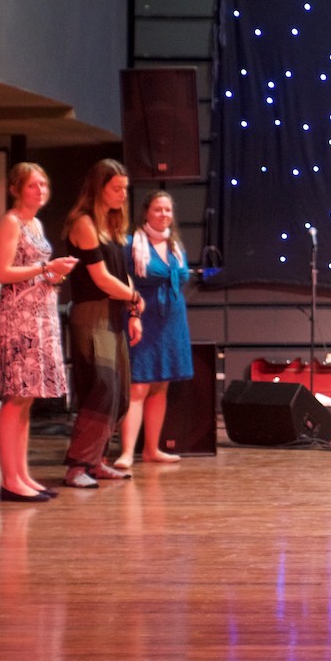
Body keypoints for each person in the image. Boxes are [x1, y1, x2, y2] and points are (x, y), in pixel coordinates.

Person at [0, 164, 78, 502]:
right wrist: (45, 267)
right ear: (16, 189)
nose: (40, 190)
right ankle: (10, 480)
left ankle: (21, 474)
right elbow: (1, 272)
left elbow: (35, 271)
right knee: (16, 397)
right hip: (19, 315)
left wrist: (54, 275)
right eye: (32, 185)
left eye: (44, 184)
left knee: (26, 400)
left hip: (39, 313)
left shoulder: (35, 224)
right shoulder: (11, 222)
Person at [62, 160, 143, 489]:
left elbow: (121, 273)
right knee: (102, 388)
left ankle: (96, 461)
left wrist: (133, 311)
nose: (123, 195)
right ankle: (77, 466)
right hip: (91, 315)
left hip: (113, 315)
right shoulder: (84, 223)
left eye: (125, 189)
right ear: (99, 188)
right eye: (116, 188)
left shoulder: (112, 225)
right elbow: (101, 278)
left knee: (119, 392)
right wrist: (134, 296)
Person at [115, 190, 192, 470]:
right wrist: (132, 312)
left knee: (161, 386)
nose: (164, 215)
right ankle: (126, 452)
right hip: (144, 320)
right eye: (158, 209)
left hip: (173, 321)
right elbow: (123, 282)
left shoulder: (175, 246)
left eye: (168, 210)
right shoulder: (131, 244)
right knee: (138, 386)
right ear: (146, 212)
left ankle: (151, 449)